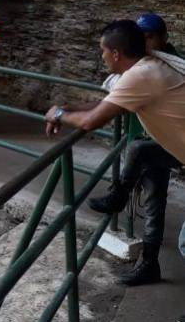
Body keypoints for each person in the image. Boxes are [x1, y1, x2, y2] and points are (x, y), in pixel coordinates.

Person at [44, 20, 185, 288]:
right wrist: (68, 106)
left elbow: (90, 122)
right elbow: (105, 103)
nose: (102, 56)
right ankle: (118, 196)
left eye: (103, 51)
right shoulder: (144, 68)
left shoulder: (141, 75)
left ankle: (117, 197)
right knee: (141, 150)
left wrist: (60, 115)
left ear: (117, 53)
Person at [89, 14, 183, 286]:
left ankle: (117, 197)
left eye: (150, 36)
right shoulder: (147, 65)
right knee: (153, 199)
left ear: (162, 38)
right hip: (156, 140)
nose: (145, 41)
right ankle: (149, 263)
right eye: (141, 36)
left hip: (167, 140)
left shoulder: (161, 66)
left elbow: (96, 115)